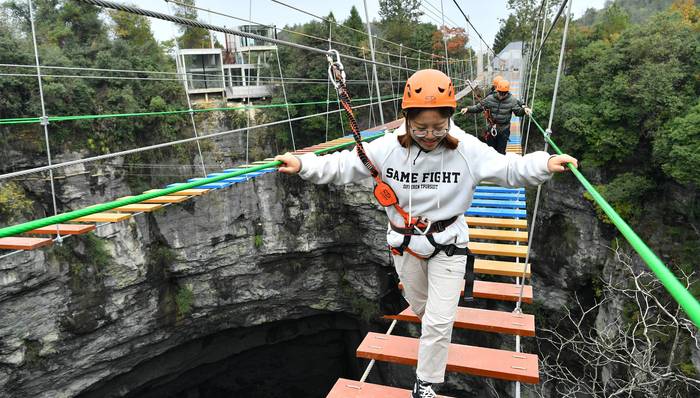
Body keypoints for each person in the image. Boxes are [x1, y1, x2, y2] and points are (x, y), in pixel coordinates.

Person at [275, 69, 576, 398]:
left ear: (450, 117)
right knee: (422, 309)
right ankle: (432, 337)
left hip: (449, 245)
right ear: (406, 119)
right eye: (420, 128)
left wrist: (544, 163)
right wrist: (304, 165)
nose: (430, 135)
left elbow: (508, 168)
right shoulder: (388, 148)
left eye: (438, 126)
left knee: (437, 320)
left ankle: (426, 383)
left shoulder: (466, 150)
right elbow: (344, 165)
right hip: (405, 246)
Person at [462, 79, 531, 155]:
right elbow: (478, 108)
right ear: (497, 90)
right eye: (500, 93)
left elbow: (518, 112)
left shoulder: (512, 100)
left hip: (504, 130)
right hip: (491, 128)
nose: (501, 96)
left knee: (501, 152)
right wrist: (468, 109)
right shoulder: (490, 99)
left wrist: (524, 110)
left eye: (504, 93)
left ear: (507, 92)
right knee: (490, 152)